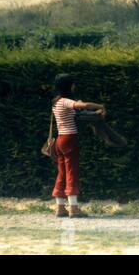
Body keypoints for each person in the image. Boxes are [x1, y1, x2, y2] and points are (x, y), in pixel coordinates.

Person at [51, 73, 106, 218]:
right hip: (70, 139)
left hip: (60, 140)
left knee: (62, 172)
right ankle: (74, 208)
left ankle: (60, 207)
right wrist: (100, 106)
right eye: (73, 84)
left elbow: (76, 110)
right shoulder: (65, 101)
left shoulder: (56, 102)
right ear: (69, 86)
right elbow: (85, 105)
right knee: (72, 172)